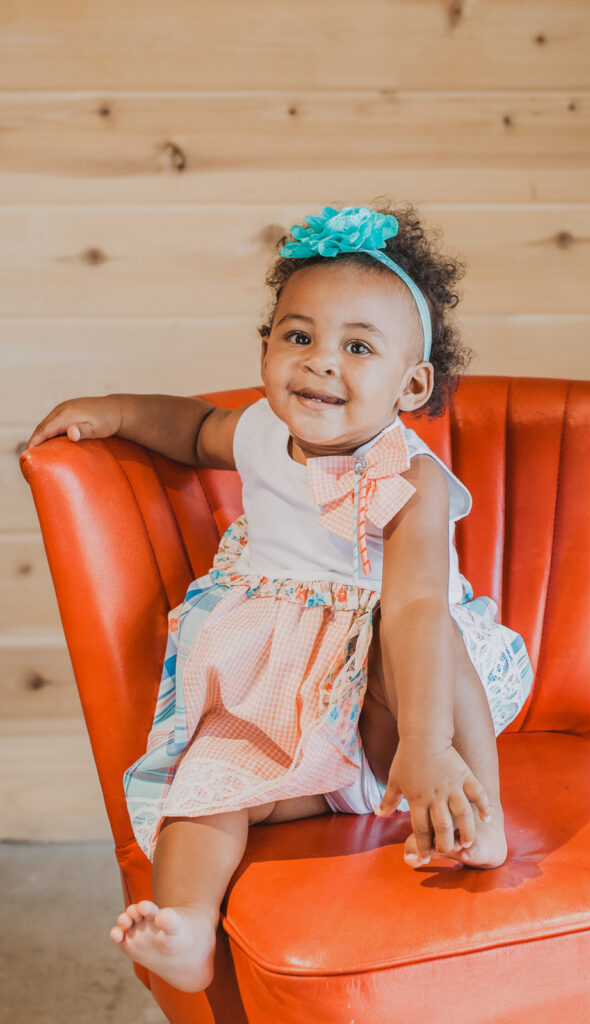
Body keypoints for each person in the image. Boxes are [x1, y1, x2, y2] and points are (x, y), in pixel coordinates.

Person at [26, 202, 534, 993]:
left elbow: (412, 610)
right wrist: (117, 412)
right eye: (298, 336)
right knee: (205, 787)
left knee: (424, 640)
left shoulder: (409, 478)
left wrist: (425, 744)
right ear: (266, 346)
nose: (320, 362)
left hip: (395, 705)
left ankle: (476, 813)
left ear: (413, 384)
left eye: (357, 347)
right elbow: (195, 431)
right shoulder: (263, 430)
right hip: (282, 694)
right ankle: (187, 926)